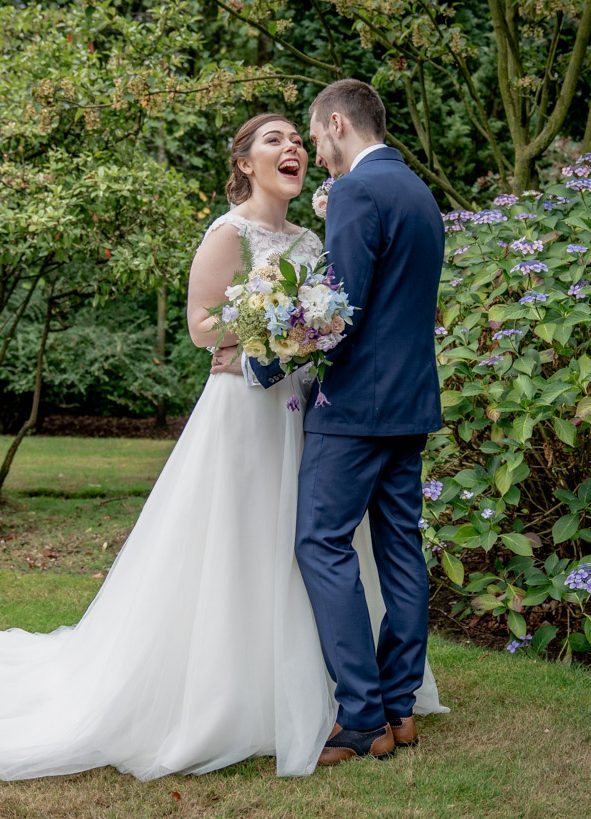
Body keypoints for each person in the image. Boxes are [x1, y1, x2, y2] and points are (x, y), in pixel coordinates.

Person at [0, 113, 445, 783]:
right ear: (243, 163)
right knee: (240, 544)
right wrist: (262, 327)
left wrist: (299, 328)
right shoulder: (227, 233)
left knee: (307, 545)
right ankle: (234, 690)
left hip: (302, 409)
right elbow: (201, 325)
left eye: (298, 139)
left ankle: (322, 689)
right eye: (275, 140)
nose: (293, 147)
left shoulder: (309, 238)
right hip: (242, 409)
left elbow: (330, 313)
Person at [240, 81, 446, 765]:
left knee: (320, 542)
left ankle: (359, 715)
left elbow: (339, 309)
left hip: (355, 405)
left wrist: (264, 368)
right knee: (398, 549)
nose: (313, 149)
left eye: (313, 134)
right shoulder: (417, 192)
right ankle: (397, 704)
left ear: (335, 124)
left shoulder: (358, 191)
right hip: (410, 401)